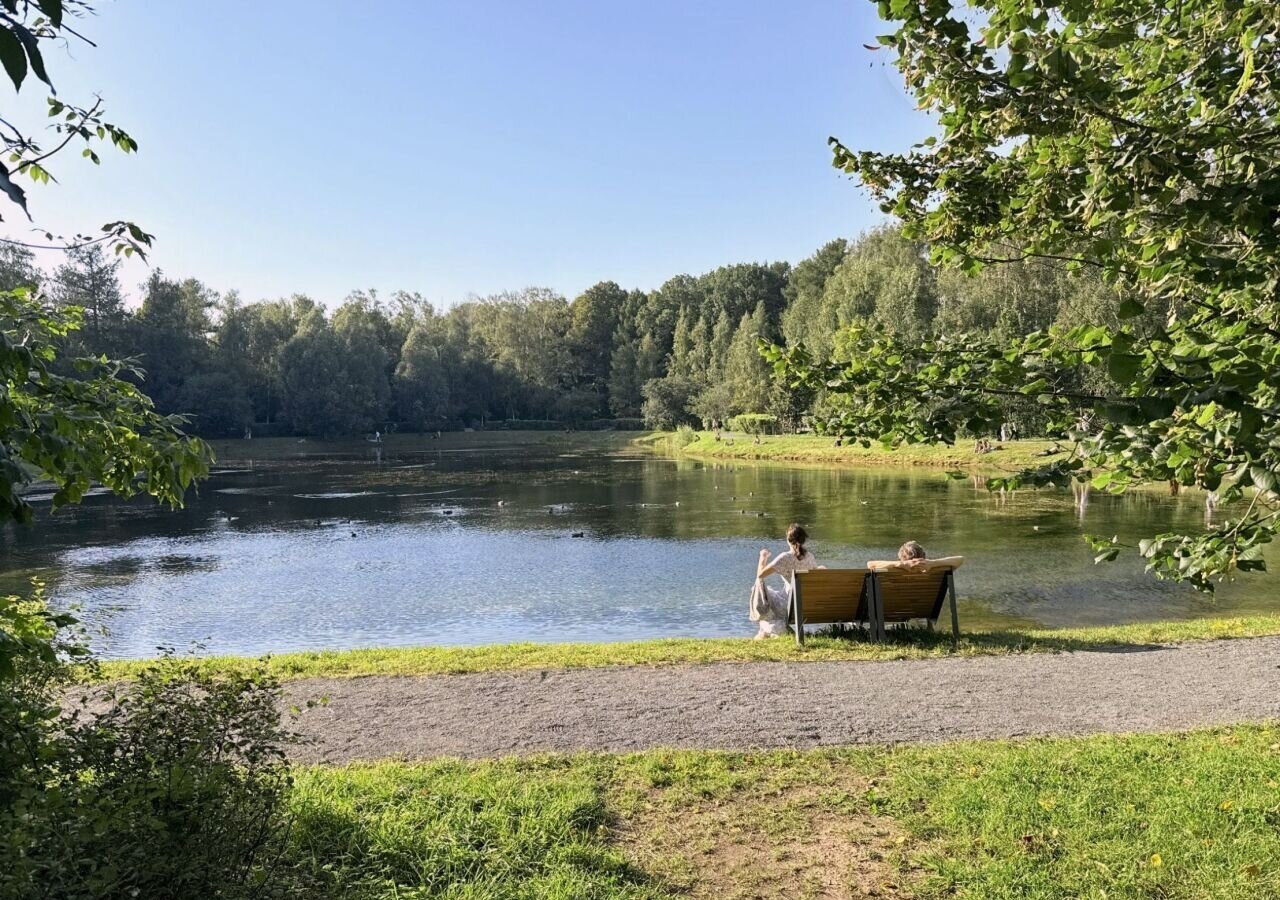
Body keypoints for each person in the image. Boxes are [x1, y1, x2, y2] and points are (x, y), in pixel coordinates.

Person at [750, 523, 822, 639]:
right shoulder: (810, 557)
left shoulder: (785, 557)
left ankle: (768, 630)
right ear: (803, 540)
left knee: (759, 590)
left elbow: (760, 576)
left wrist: (763, 557)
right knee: (771, 594)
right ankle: (765, 632)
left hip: (789, 606)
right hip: (807, 605)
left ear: (788, 540)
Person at [867, 540, 965, 572]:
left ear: (900, 557)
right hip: (927, 609)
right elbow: (960, 559)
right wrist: (933, 563)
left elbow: (870, 564)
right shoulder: (933, 571)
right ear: (924, 556)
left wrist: (900, 564)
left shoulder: (893, 570)